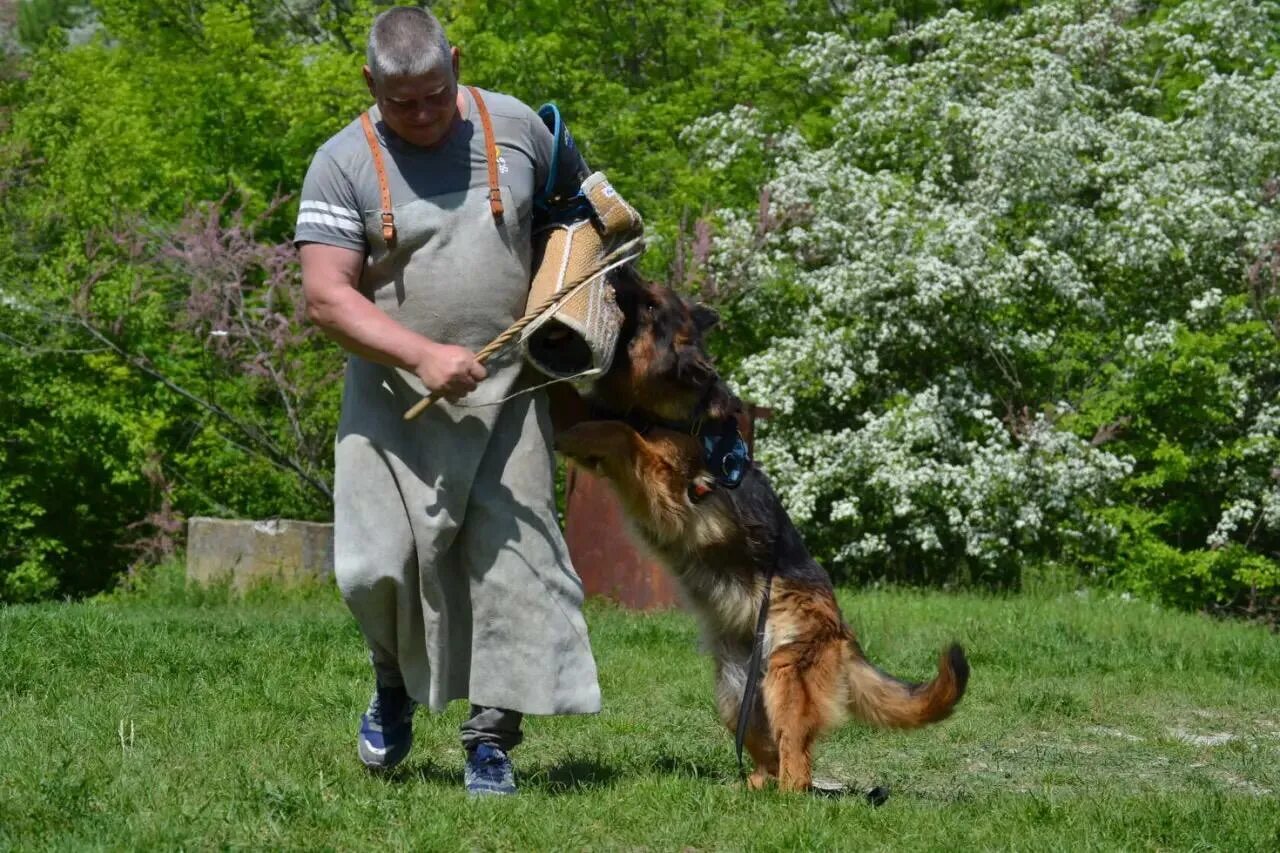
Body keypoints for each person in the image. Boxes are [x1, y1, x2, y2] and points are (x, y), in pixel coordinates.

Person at [295, 6, 601, 796]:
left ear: (455, 62)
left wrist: (578, 301)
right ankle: (392, 684)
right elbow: (326, 297)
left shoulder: (524, 129)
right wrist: (422, 355)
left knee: (509, 568)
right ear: (371, 84)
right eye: (403, 102)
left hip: (509, 393)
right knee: (374, 565)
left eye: (436, 93)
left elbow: (577, 219)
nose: (425, 114)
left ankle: (490, 741)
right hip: (391, 393)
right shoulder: (340, 162)